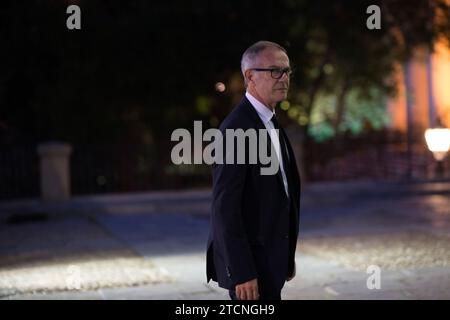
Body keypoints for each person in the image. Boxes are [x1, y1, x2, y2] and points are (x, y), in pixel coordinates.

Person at [206, 40, 301, 300]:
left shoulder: (270, 121)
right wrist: (241, 272)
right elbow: (224, 207)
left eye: (287, 71)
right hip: (251, 270)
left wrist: (285, 256)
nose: (284, 78)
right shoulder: (237, 128)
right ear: (250, 77)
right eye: (275, 71)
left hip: (272, 261)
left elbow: (281, 192)